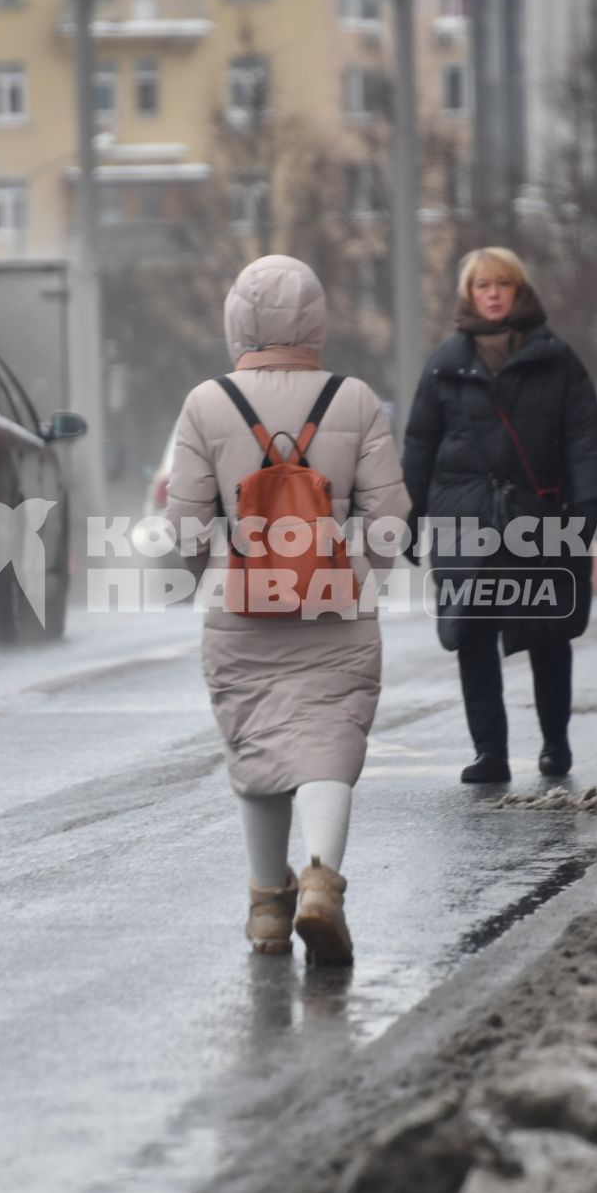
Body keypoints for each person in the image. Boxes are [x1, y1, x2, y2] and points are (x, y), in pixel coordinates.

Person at [165, 255, 408, 965]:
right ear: (317, 319)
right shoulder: (355, 400)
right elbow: (389, 513)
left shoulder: (206, 403)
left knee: (258, 745)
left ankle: (268, 909)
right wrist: (358, 570)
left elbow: (184, 526)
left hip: (239, 608)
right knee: (330, 736)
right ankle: (321, 885)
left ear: (237, 318)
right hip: (336, 602)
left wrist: (213, 571)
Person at [401, 247, 597, 785]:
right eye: (482, 286)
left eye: (503, 284)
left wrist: (587, 508)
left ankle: (555, 745)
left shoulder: (557, 359)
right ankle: (489, 752)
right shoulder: (446, 363)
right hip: (464, 517)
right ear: (468, 296)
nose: (492, 294)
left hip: (537, 514)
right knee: (473, 635)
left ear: (520, 290)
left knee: (548, 631)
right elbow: (421, 442)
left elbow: (585, 438)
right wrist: (407, 514)